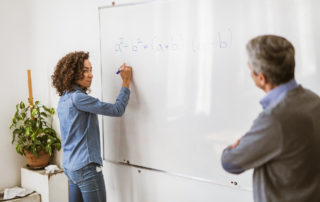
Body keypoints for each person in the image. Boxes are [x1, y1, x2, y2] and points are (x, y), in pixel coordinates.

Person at [221, 35, 320, 202]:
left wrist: (238, 145)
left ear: (261, 78)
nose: (249, 70)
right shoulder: (314, 100)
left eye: (250, 67)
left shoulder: (275, 119)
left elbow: (230, 162)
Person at [51, 51, 132, 202]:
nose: (91, 75)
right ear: (72, 73)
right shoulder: (79, 99)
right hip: (85, 168)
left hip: (70, 167)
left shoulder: (64, 98)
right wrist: (126, 82)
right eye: (85, 71)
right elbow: (117, 110)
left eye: (91, 70)